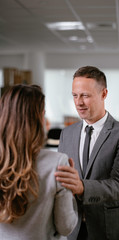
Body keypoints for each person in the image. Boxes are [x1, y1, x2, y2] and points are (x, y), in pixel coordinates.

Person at [55, 66, 119, 240]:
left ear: (104, 94)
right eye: (75, 95)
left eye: (85, 96)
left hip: (113, 229)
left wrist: (82, 187)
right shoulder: (67, 133)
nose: (78, 102)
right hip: (74, 229)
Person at [0, 84, 77, 240]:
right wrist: (72, 192)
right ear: (38, 118)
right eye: (44, 114)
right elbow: (66, 227)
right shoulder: (58, 163)